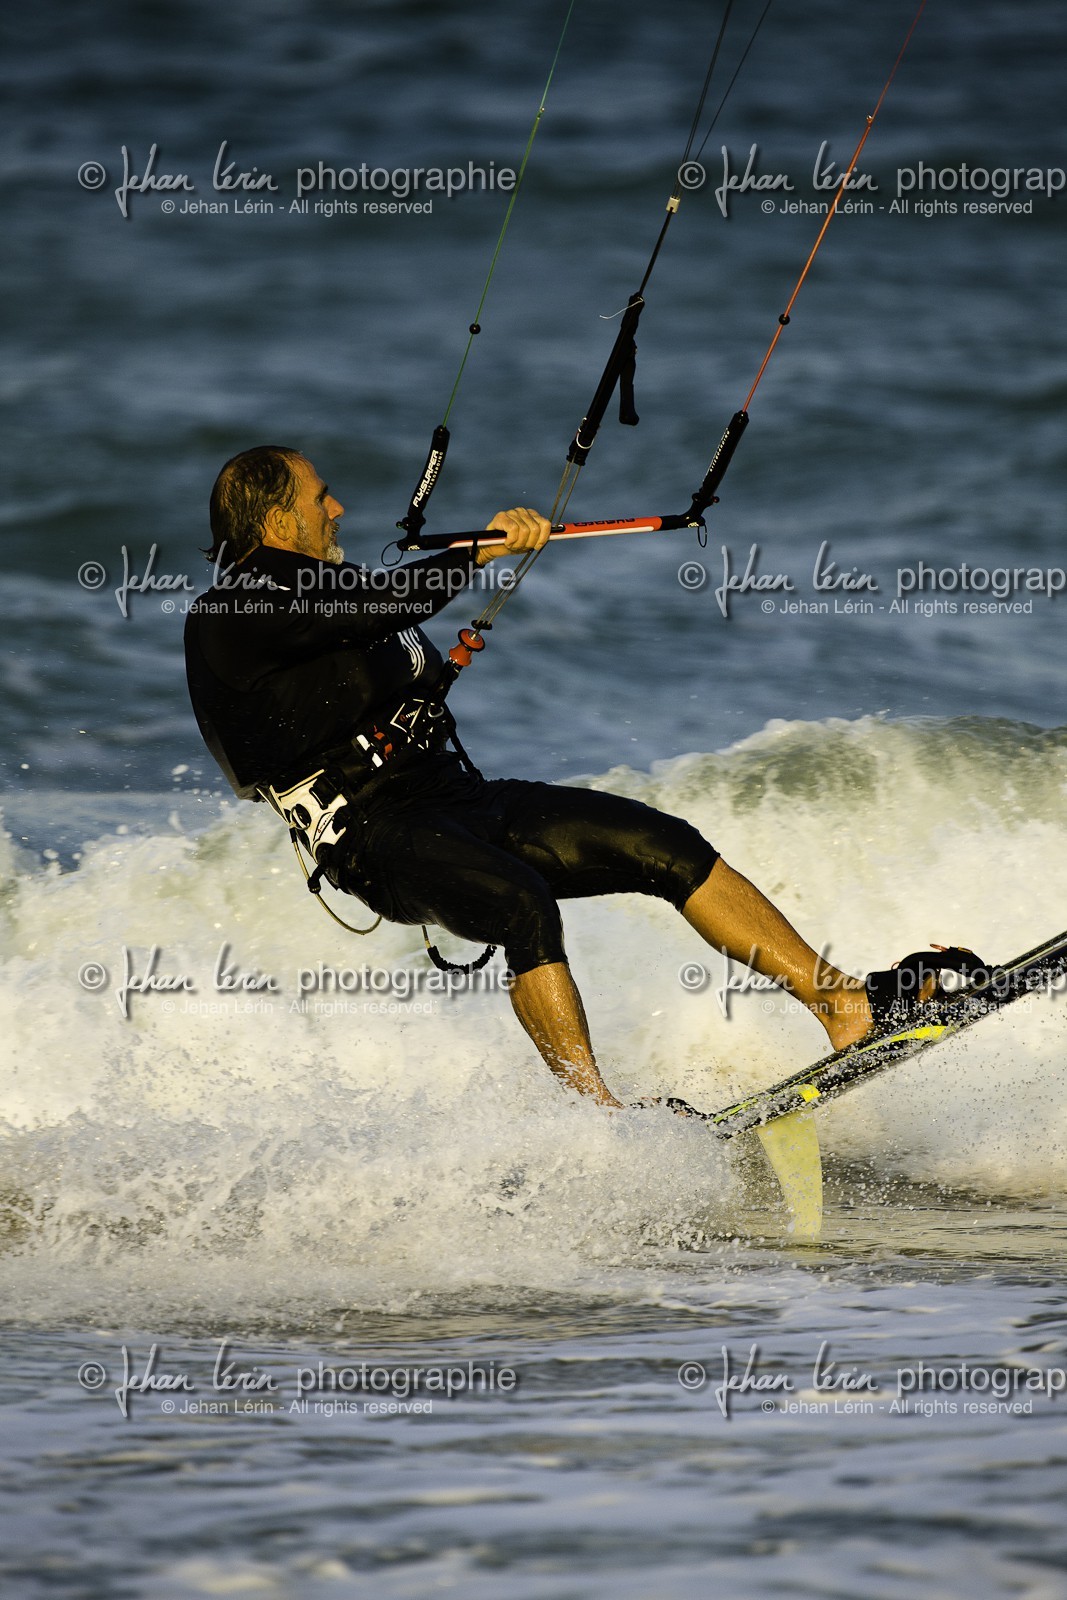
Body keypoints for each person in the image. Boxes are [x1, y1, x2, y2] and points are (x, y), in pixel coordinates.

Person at [185, 444, 955, 1109]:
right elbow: (380, 603)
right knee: (521, 905)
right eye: (322, 498)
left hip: (455, 801)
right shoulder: (234, 607)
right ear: (280, 523)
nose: (339, 508)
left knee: (664, 846)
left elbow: (361, 631)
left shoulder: (317, 596)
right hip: (372, 839)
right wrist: (477, 550)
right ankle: (597, 1118)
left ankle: (843, 1005)